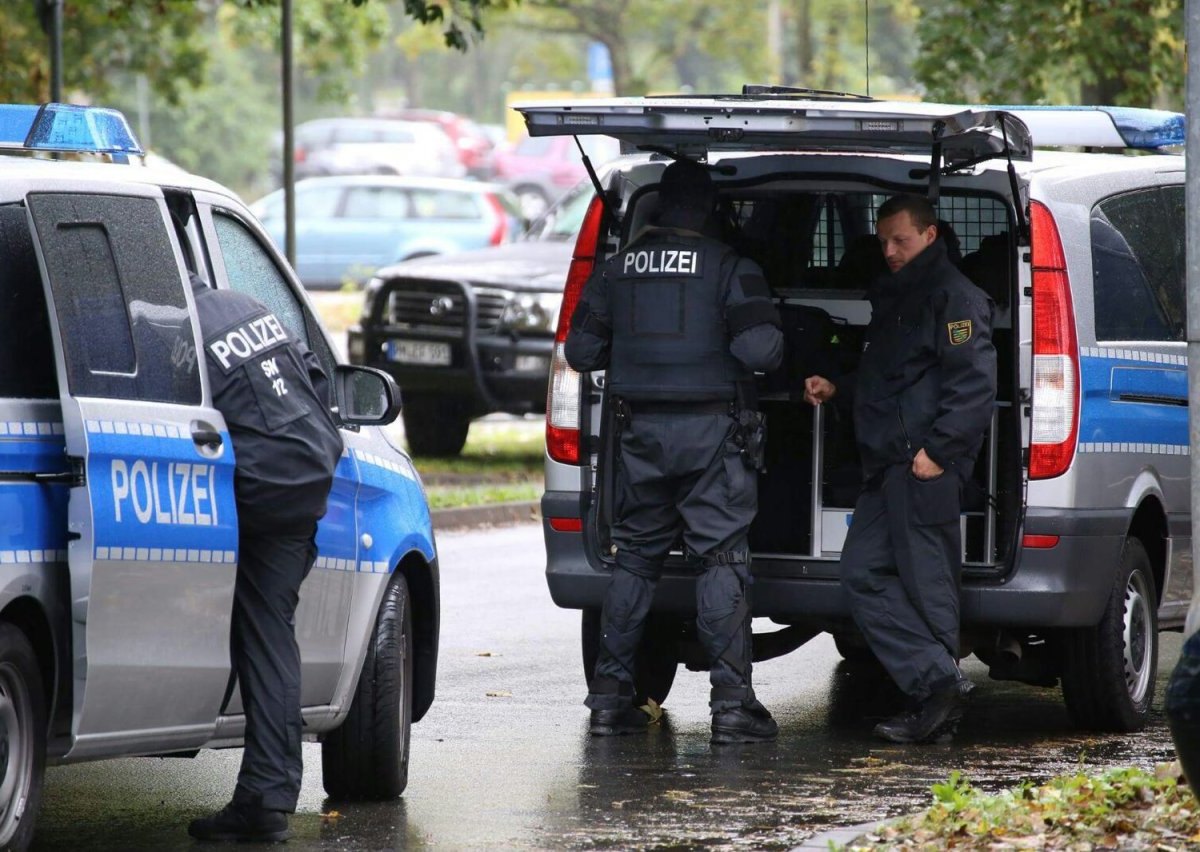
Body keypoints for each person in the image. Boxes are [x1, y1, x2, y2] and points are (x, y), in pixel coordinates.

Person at [564, 158, 785, 744]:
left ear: (660, 209)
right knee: (721, 560)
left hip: (638, 438)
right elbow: (761, 349)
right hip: (712, 435)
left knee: (634, 559)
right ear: (712, 210)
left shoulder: (616, 271)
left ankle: (611, 702)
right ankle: (733, 708)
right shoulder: (729, 266)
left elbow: (582, 352)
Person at [803, 194, 996, 744]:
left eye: (900, 240)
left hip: (923, 467)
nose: (887, 250)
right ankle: (937, 683)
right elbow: (889, 376)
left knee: (928, 583)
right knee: (861, 572)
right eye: (883, 240)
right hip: (887, 465)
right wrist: (837, 385)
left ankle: (934, 700)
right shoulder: (897, 295)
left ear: (930, 236)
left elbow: (974, 386)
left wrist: (939, 452)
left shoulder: (954, 298)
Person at [186, 274, 343, 842]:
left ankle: (267, 795)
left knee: (263, 632)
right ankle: (264, 796)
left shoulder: (176, 326)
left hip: (264, 484)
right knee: (268, 633)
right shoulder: (247, 304)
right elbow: (318, 377)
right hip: (308, 469)